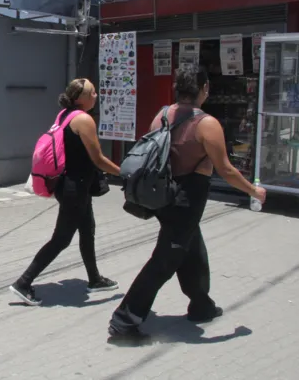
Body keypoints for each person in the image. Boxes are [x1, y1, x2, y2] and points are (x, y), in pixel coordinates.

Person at [108, 68, 267, 343]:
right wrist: (254, 191)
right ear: (204, 88)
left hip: (163, 196)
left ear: (176, 88)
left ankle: (201, 306)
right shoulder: (207, 124)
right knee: (165, 261)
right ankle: (124, 319)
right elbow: (226, 170)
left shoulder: (161, 115)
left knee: (193, 251)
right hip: (185, 201)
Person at [10, 78, 122, 306]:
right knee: (61, 239)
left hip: (70, 184)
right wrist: (125, 173)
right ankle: (23, 283)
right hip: (75, 188)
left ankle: (94, 279)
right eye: (92, 93)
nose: (96, 96)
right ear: (80, 98)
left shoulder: (65, 115)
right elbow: (98, 159)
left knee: (87, 230)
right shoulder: (83, 119)